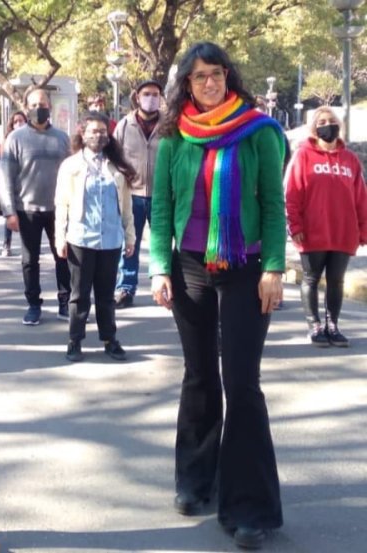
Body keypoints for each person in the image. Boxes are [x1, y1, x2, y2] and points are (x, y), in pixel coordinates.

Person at [149, 42, 286, 550]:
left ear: (229, 76)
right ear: (186, 83)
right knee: (200, 374)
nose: (209, 82)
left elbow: (274, 205)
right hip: (189, 269)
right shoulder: (173, 137)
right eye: (199, 76)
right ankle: (195, 479)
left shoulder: (259, 132)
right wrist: (158, 267)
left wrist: (275, 266)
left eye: (217, 73)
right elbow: (161, 207)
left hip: (247, 269)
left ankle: (250, 506)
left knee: (241, 382)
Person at [55, 112, 135, 362]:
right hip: (81, 238)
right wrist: (60, 236)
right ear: (82, 133)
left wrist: (130, 236)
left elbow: (126, 204)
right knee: (79, 294)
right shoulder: (71, 166)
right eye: (93, 131)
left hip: (110, 239)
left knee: (105, 294)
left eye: (102, 131)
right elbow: (62, 203)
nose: (98, 136)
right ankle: (75, 340)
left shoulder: (116, 167)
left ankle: (110, 339)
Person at [285, 106, 367, 347]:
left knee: (336, 280)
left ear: (338, 125)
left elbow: (361, 197)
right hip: (312, 232)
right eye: (321, 121)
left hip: (343, 232)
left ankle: (333, 325)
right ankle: (315, 326)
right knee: (311, 279)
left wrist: (363, 229)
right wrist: (295, 224)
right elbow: (292, 194)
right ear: (314, 128)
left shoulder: (350, 160)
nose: (326, 124)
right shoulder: (303, 156)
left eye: (331, 120)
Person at [0, 88, 71, 325]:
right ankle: (33, 305)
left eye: (42, 103)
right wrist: (9, 211)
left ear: (49, 106)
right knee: (30, 261)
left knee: (63, 256)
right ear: (26, 107)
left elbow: (72, 175)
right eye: (33, 104)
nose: (38, 108)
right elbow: (6, 176)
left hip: (58, 210)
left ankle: (65, 302)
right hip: (26, 209)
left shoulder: (62, 138)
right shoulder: (16, 138)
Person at [113, 79, 165, 308]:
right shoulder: (124, 125)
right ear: (137, 96)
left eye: (155, 94)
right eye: (147, 94)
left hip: (162, 195)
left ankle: (164, 286)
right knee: (129, 245)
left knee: (162, 244)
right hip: (132, 195)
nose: (151, 98)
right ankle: (126, 289)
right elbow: (114, 157)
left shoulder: (169, 126)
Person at [0, 110, 27, 257]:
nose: (18, 124)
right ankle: (6, 243)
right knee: (10, 215)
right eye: (15, 121)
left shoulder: (30, 139)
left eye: (21, 121)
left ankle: (26, 245)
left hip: (25, 187)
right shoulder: (8, 140)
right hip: (12, 184)